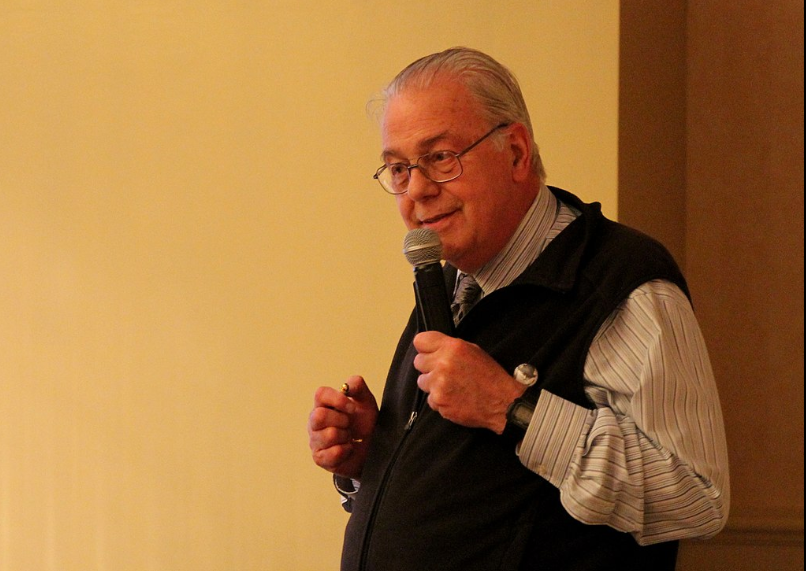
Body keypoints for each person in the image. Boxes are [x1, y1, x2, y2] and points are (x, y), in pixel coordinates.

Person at [307, 47, 729, 571]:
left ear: (515, 152)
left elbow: (696, 499)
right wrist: (377, 459)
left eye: (440, 158)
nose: (416, 190)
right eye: (398, 168)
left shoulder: (618, 281)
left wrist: (512, 407)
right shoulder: (451, 282)